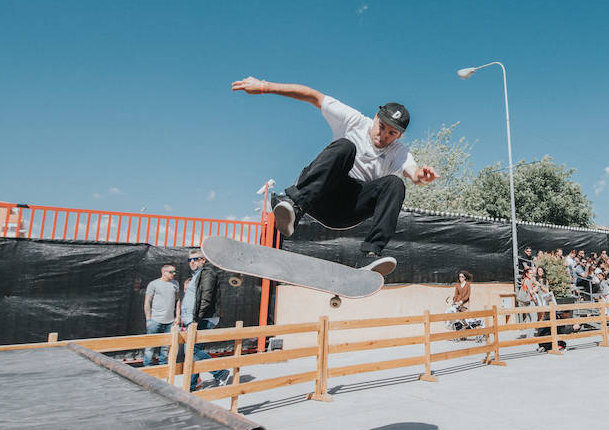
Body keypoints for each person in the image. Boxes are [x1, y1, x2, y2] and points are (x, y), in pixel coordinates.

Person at [231, 77, 439, 273]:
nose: (383, 136)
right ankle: (295, 207)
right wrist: (263, 86)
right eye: (381, 127)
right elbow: (313, 96)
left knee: (395, 183)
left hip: (345, 211)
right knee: (346, 147)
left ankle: (370, 254)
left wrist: (422, 175)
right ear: (375, 118)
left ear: (400, 135)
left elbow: (413, 173)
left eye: (391, 134)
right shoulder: (354, 121)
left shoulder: (400, 152)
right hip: (319, 195)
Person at [181, 250, 230, 389]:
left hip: (204, 317)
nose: (192, 262)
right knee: (192, 352)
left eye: (195, 259)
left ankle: (220, 373)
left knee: (192, 350)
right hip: (198, 317)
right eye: (189, 260)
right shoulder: (197, 275)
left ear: (203, 260)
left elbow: (206, 297)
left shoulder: (207, 272)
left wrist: (197, 318)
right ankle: (192, 385)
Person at [143, 264, 180, 365]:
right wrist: (148, 319)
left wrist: (177, 316)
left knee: (165, 347)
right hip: (155, 321)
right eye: (171, 272)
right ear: (164, 272)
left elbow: (178, 300)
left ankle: (163, 368)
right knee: (150, 346)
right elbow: (147, 302)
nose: (174, 274)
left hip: (170, 322)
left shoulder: (175, 284)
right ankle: (147, 369)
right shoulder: (153, 284)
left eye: (174, 272)